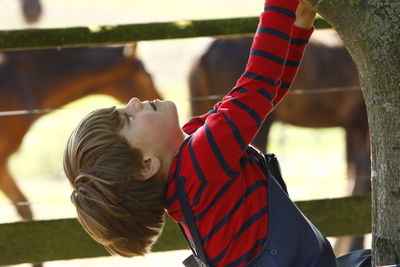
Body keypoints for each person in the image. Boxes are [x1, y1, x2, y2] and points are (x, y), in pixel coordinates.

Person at [64, 0, 338, 266]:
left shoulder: (188, 177)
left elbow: (263, 98)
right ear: (146, 165)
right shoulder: (201, 163)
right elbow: (257, 86)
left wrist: (299, 26)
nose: (133, 103)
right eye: (127, 118)